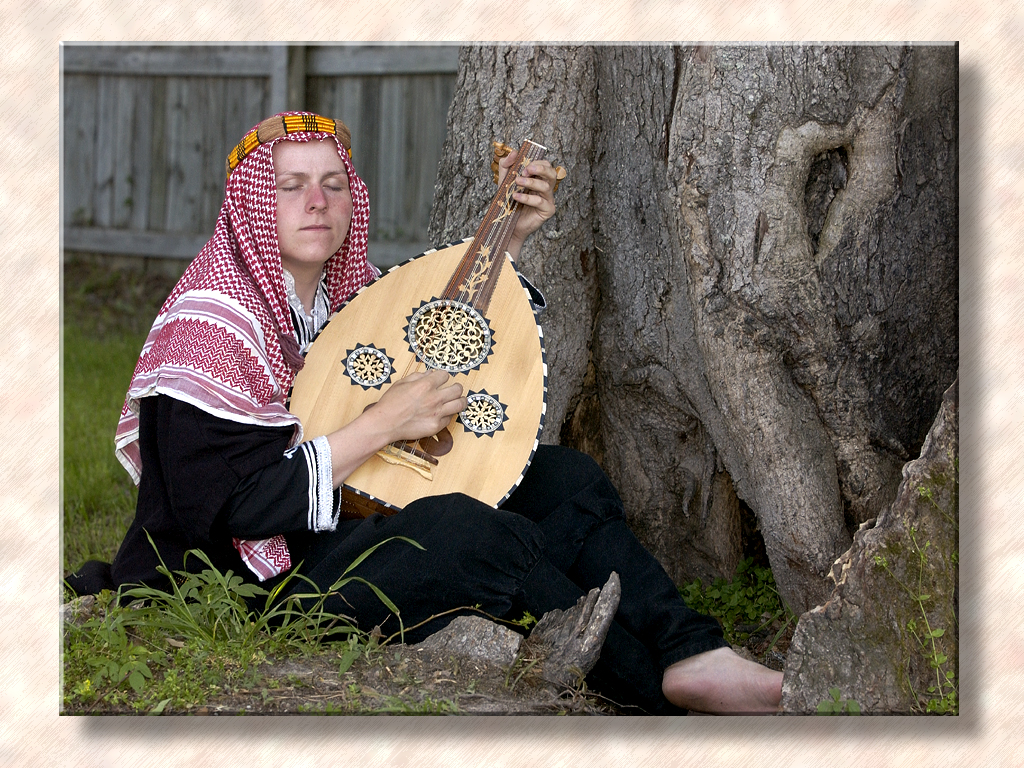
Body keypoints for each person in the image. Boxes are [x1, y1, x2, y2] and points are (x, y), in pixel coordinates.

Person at [83, 112, 782, 714]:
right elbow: (231, 509)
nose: (316, 202)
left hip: (335, 522)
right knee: (469, 535)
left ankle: (693, 648)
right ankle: (659, 690)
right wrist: (383, 423)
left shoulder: (341, 294)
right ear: (250, 205)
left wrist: (505, 237)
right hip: (248, 583)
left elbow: (440, 334)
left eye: (333, 184)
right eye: (288, 187)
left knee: (566, 480)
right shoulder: (209, 328)